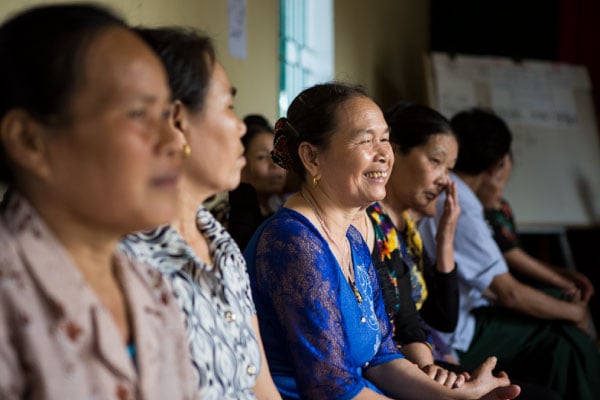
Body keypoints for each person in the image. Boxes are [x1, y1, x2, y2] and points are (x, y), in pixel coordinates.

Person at [243, 83, 520, 399]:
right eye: (365, 141)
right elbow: (332, 390)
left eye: (385, 139)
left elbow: (382, 356)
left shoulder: (353, 236)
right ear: (312, 157)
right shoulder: (293, 241)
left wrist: (455, 396)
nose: (384, 154)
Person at [0, 4, 197, 399]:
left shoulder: (151, 288)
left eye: (166, 113)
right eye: (139, 113)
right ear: (29, 140)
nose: (174, 140)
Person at [120, 27, 281, 399]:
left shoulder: (220, 243)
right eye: (228, 106)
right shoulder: (124, 259)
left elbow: (262, 386)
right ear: (177, 121)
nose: (241, 127)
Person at [361, 103, 561, 400]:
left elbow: (443, 317)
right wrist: (434, 372)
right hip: (397, 370)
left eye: (449, 169)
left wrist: (445, 237)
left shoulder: (408, 232)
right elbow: (406, 323)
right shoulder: (374, 225)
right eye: (435, 161)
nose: (445, 180)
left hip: (418, 365)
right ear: (394, 152)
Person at [418, 107, 600, 400]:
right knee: (566, 337)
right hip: (457, 333)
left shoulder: (460, 198)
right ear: (498, 163)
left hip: (460, 314)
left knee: (561, 314)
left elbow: (506, 260)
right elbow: (509, 293)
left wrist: (563, 281)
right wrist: (574, 313)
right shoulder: (460, 203)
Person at [477, 153, 596, 308]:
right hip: (501, 290)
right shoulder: (477, 215)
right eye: (499, 181)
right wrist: (562, 281)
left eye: (506, 181)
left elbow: (519, 253)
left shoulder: (502, 207)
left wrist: (563, 274)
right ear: (481, 176)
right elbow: (512, 256)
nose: (501, 190)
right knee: (569, 305)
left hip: (520, 282)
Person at [228, 115, 287, 249]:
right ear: (242, 163)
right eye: (262, 157)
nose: (274, 164)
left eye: (278, 156)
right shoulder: (231, 221)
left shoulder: (286, 209)